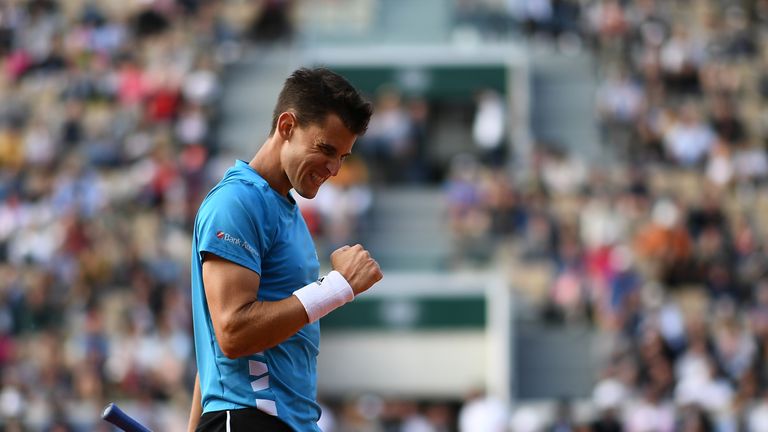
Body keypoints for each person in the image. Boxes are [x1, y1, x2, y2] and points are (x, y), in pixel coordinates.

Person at [187, 67, 383, 431]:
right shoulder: (236, 202)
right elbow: (231, 333)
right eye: (326, 149)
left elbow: (211, 344)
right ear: (287, 126)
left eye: (343, 156)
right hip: (250, 418)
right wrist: (338, 287)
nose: (335, 169)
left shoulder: (288, 213)